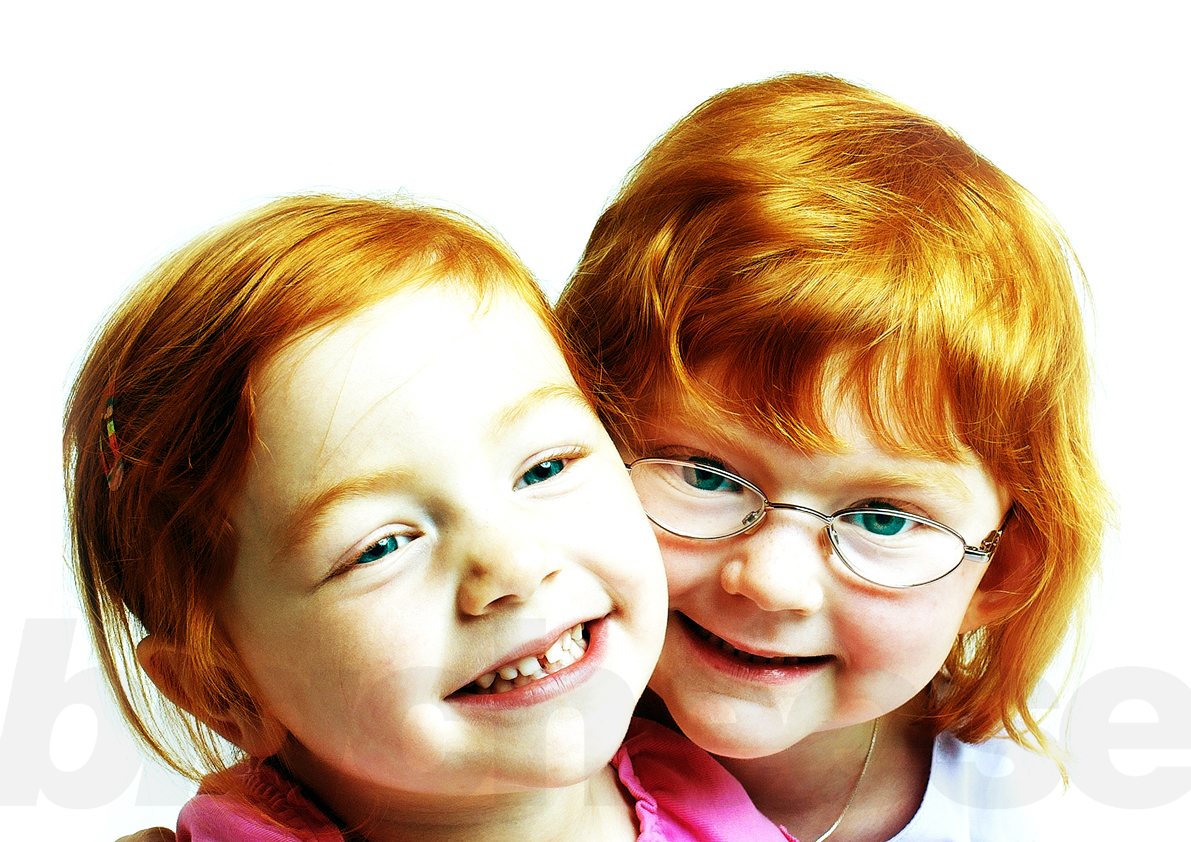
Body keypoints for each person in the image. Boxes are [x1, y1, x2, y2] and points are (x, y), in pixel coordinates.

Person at [67, 195, 790, 842]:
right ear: (224, 691)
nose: (513, 567)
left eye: (545, 469)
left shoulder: (702, 788)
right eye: (380, 546)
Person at [555, 73, 1110, 841]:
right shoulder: (481, 772)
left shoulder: (1045, 811)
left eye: (882, 518)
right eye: (705, 476)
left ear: (1002, 569)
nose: (770, 582)